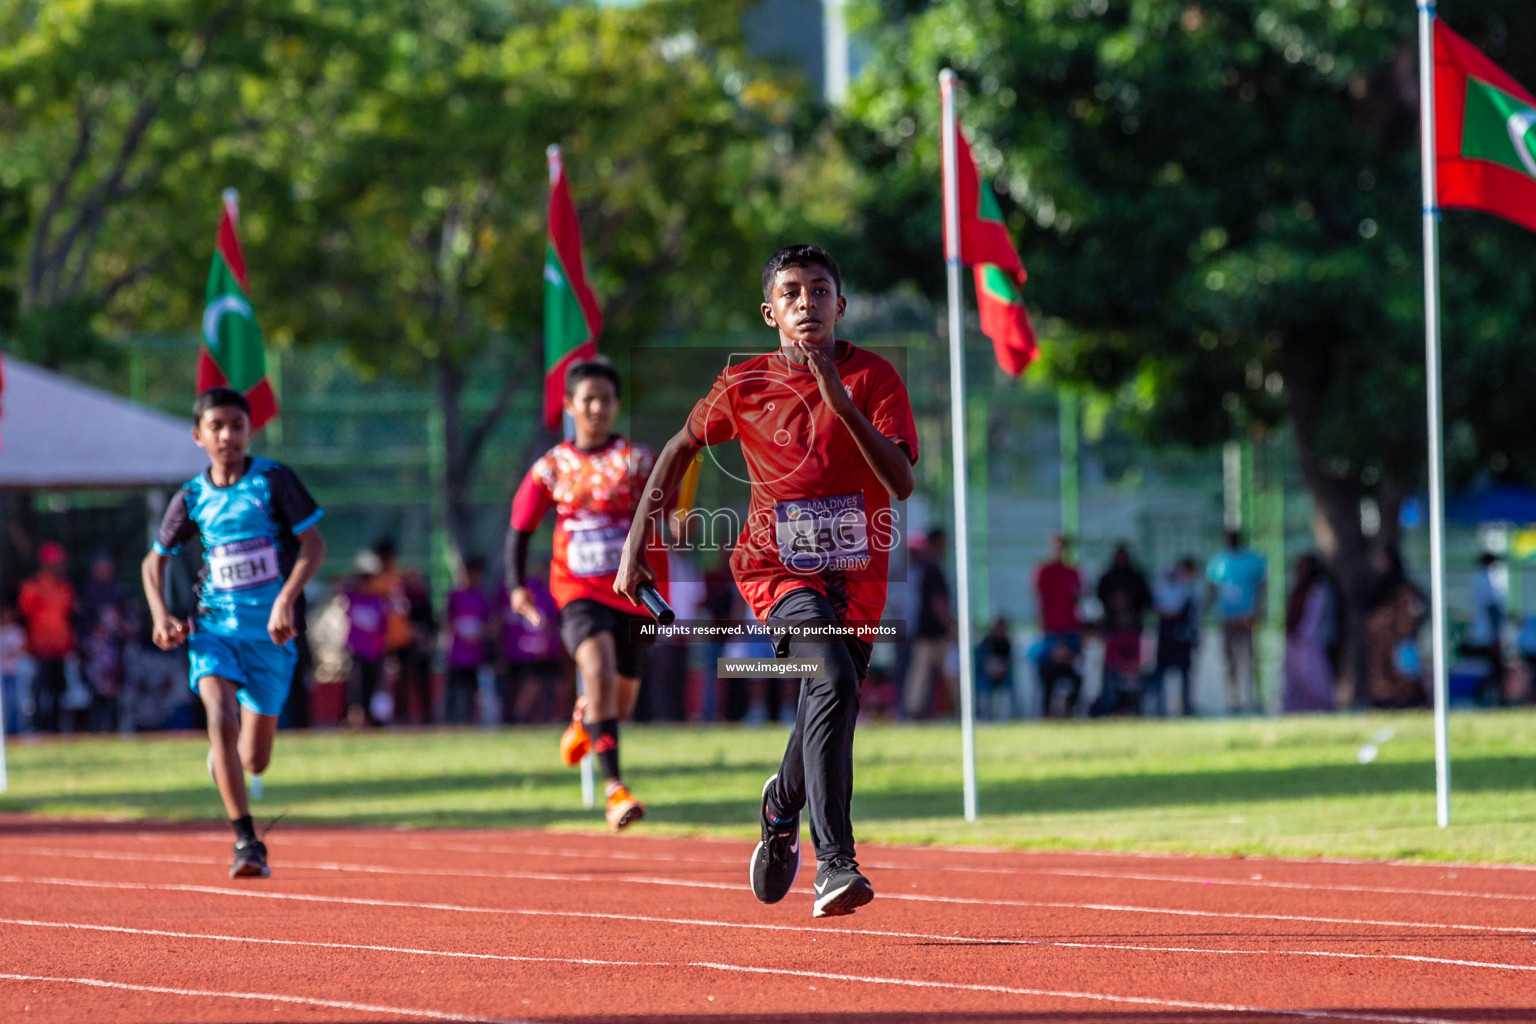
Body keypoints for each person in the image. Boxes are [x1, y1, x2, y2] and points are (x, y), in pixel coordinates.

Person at [616, 243, 918, 918]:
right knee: (833, 682)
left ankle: (780, 803)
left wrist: (839, 399)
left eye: (818, 290)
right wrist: (638, 544)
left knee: (826, 700)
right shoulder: (745, 384)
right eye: (790, 293)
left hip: (858, 582)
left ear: (840, 304)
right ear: (769, 313)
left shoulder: (875, 378)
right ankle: (835, 865)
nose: (805, 303)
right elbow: (677, 449)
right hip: (774, 572)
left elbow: (899, 482)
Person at [141, 387, 326, 878]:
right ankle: (247, 842)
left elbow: (313, 547)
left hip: (272, 637)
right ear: (198, 436)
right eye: (217, 427)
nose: (228, 436)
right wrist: (161, 616)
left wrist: (285, 600)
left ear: (249, 430)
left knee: (256, 759)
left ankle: (231, 764)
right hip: (213, 631)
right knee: (220, 720)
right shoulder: (191, 497)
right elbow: (152, 564)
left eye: (237, 426)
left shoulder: (273, 481)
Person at [506, 355, 659, 832]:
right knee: (597, 668)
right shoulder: (552, 467)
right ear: (570, 405)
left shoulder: (638, 461)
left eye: (606, 400)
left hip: (633, 595)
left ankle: (584, 719)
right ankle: (615, 791)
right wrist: (516, 587)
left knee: (620, 703)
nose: (597, 408)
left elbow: (668, 513)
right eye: (587, 400)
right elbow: (520, 528)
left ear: (616, 405)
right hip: (578, 592)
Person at [373, 539, 435, 725]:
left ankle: (407, 716)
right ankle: (382, 717)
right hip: (380, 640)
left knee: (407, 677)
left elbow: (416, 607)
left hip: (403, 638)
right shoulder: (374, 581)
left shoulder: (401, 579)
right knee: (384, 681)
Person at [1206, 529, 1267, 714]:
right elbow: (1212, 588)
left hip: (1247, 617)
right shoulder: (1219, 561)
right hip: (1227, 617)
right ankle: (1234, 698)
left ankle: (1254, 696)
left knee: (1250, 658)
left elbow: (1262, 586)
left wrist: (1259, 610)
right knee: (1229, 659)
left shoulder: (1253, 560)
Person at [18, 542, 75, 733]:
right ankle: (38, 729)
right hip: (39, 648)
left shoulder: (65, 588)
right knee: (40, 693)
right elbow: (24, 616)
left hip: (61, 648)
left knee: (59, 693)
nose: (59, 567)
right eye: (56, 563)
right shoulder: (32, 587)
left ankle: (56, 731)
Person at [1363, 545, 1427, 708]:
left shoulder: (1405, 589)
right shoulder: (1377, 588)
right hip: (1381, 644)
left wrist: (1407, 628)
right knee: (1382, 680)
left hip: (1401, 640)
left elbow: (1419, 609)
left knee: (1405, 677)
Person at [1092, 543, 1151, 716]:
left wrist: (1130, 611)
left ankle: (1134, 709)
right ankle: (1108, 708)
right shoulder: (1107, 578)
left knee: (1137, 677)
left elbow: (1147, 600)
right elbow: (1098, 599)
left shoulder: (1137, 577)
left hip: (1134, 632)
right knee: (1110, 676)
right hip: (1112, 631)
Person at [902, 529, 955, 719]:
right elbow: (937, 603)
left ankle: (944, 710)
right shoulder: (930, 570)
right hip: (928, 633)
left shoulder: (927, 569)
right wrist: (951, 626)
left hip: (929, 632)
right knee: (922, 677)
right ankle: (917, 713)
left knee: (930, 677)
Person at [498, 568, 562, 724]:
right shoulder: (514, 592)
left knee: (540, 684)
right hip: (521, 653)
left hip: (541, 653)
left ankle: (533, 718)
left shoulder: (548, 594)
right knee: (526, 685)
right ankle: (518, 718)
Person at [1032, 534, 1083, 717]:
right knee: (1047, 672)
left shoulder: (1073, 573)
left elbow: (1078, 599)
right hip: (1051, 631)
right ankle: (1046, 713)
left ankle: (1070, 712)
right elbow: (1038, 599)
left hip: (1070, 630)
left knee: (1074, 672)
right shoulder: (1044, 571)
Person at [1281, 553, 1336, 713]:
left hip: (1311, 642)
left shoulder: (1320, 589)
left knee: (1315, 678)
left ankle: (1324, 708)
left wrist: (1303, 636)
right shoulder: (1298, 588)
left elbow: (1315, 617)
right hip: (1294, 642)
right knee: (1293, 679)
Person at [1148, 558, 1200, 716]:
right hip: (1165, 636)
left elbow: (1183, 611)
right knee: (1161, 671)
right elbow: (1159, 609)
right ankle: (1159, 705)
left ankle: (1186, 705)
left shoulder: (1186, 588)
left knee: (1185, 672)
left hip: (1181, 635)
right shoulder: (1161, 589)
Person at [444, 555, 492, 725]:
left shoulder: (481, 597)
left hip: (474, 654)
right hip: (457, 653)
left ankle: (470, 721)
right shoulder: (455, 596)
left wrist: (478, 633)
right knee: (454, 688)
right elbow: (447, 622)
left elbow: (488, 624)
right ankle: (450, 720)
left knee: (472, 689)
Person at [344, 554, 389, 727]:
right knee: (356, 686)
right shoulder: (352, 598)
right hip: (357, 651)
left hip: (374, 651)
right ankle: (355, 717)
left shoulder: (377, 600)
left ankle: (371, 717)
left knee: (372, 685)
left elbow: (383, 626)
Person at [1467, 552, 1507, 705]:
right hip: (1487, 636)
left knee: (1487, 670)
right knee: (1493, 672)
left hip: (1480, 634)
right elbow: (1492, 610)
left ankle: (1485, 700)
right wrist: (1495, 636)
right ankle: (1490, 701)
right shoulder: (1487, 580)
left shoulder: (1477, 580)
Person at [1, 606, 34, 735]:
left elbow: (23, 649)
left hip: (15, 673)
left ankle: (16, 731)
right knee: (4, 705)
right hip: (2, 673)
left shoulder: (17, 632)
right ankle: (5, 731)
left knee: (16, 703)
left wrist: (10, 652)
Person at [977, 616, 1015, 719]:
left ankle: (1004, 717)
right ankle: (984, 716)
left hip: (1002, 675)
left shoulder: (1006, 643)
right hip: (987, 674)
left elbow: (1007, 663)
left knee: (1008, 686)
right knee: (982, 684)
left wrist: (1000, 670)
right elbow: (984, 662)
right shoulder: (986, 643)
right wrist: (992, 670)